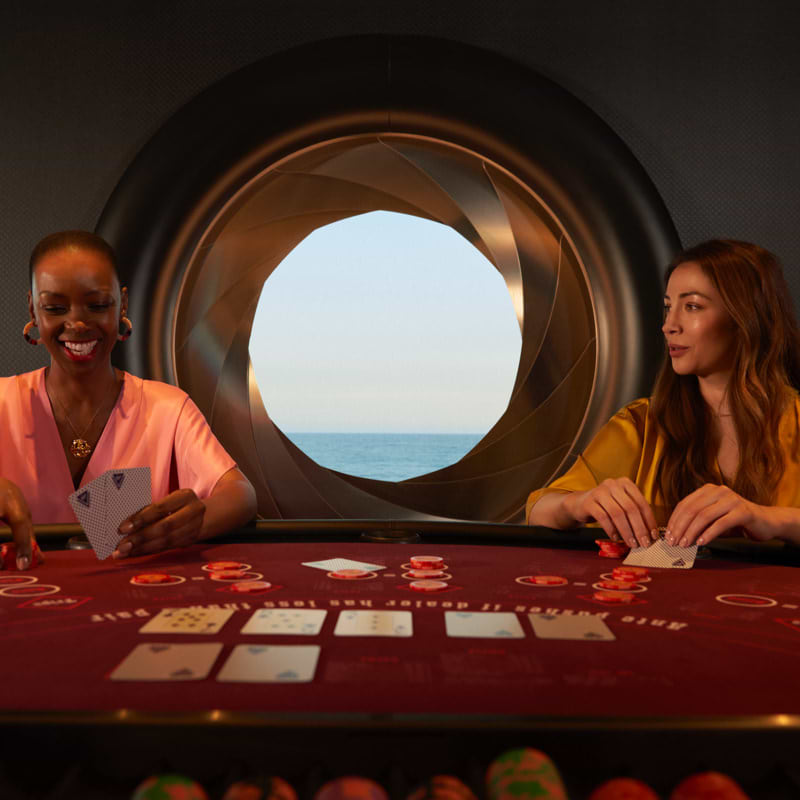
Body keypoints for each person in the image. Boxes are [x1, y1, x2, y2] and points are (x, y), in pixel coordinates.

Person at [0, 230, 257, 570]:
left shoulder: (167, 408)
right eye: (55, 307)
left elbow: (240, 494)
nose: (77, 323)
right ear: (33, 308)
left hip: (132, 603)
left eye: (97, 305)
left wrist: (192, 523)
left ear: (122, 303)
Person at [527, 239, 800, 550]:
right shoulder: (641, 424)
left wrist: (766, 518)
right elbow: (538, 510)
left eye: (692, 306)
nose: (669, 325)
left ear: (745, 318)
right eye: (669, 307)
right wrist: (578, 503)